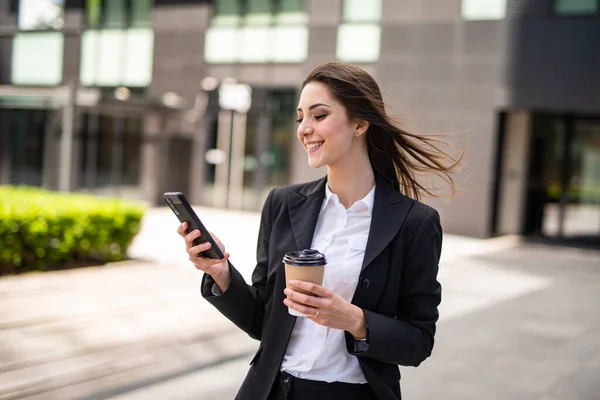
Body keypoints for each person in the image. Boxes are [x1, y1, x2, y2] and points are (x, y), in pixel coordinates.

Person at [177, 62, 461, 400]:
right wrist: (221, 272)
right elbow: (263, 322)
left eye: (319, 115)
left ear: (360, 122)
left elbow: (418, 341)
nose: (303, 129)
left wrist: (355, 320)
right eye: (300, 118)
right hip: (272, 391)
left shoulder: (414, 223)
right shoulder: (282, 203)